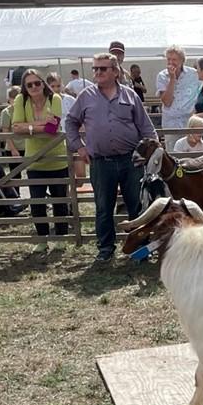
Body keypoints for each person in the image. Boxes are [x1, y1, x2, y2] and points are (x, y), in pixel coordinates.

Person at [65, 51, 155, 263]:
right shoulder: (86, 96)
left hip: (131, 160)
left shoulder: (130, 95)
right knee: (104, 207)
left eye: (102, 68)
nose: (97, 72)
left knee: (137, 206)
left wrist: (151, 151)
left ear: (115, 72)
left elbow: (145, 127)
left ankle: (140, 247)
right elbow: (70, 122)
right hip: (101, 162)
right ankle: (105, 248)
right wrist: (79, 147)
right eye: (95, 68)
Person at [10, 68, 70, 252]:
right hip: (34, 160)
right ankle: (42, 239)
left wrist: (27, 127)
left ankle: (61, 237)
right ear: (24, 88)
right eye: (29, 84)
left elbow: (53, 128)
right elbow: (15, 128)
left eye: (37, 83)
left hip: (57, 158)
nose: (34, 87)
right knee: (37, 202)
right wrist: (40, 125)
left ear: (43, 83)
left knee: (60, 200)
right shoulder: (21, 100)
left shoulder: (55, 98)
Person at [156, 44, 201, 132]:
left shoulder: (194, 74)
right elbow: (167, 102)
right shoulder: (162, 76)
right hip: (171, 124)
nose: (171, 62)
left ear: (182, 61)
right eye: (168, 59)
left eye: (174, 59)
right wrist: (172, 79)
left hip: (190, 124)